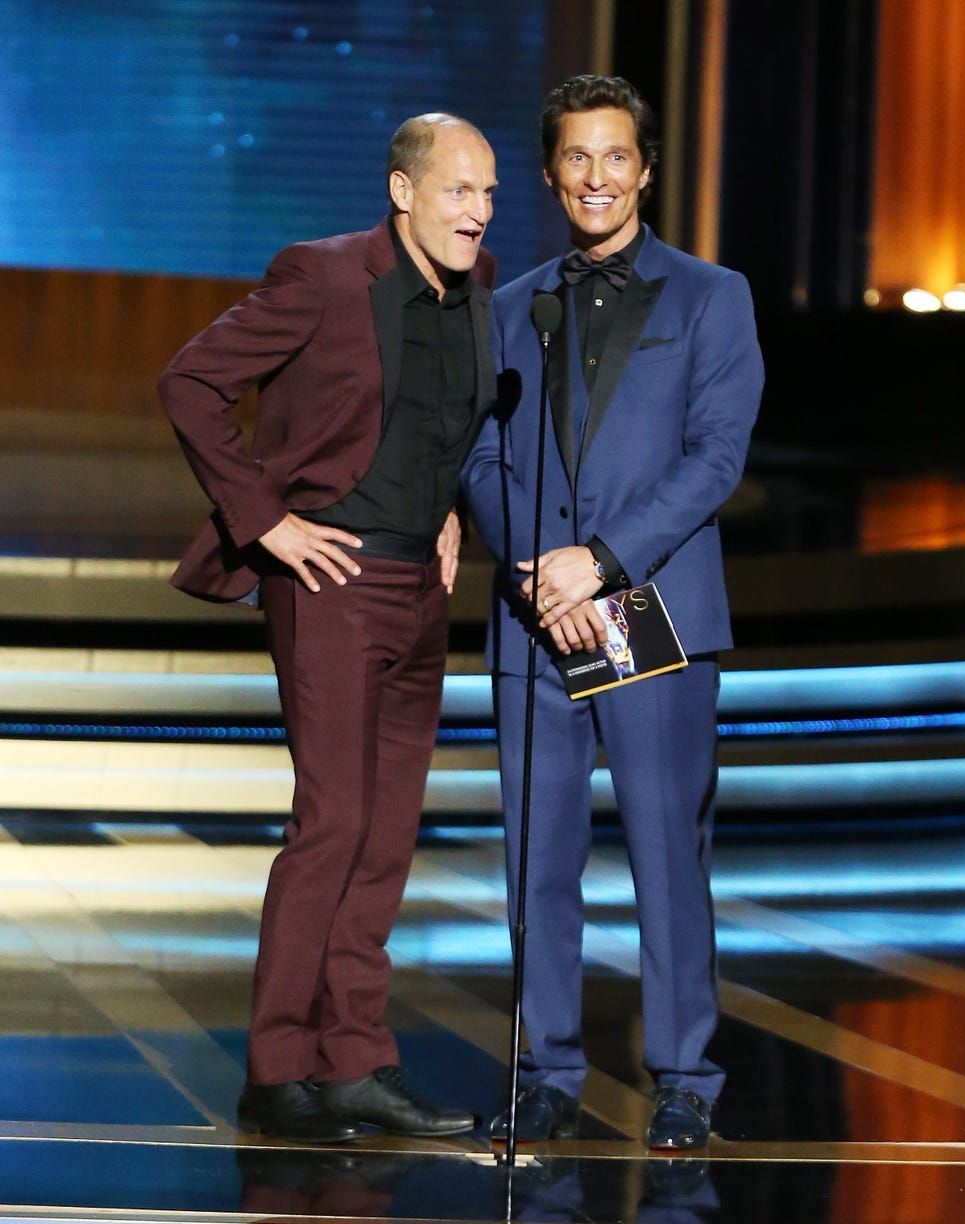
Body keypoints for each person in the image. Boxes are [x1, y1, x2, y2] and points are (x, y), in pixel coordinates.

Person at [159, 113, 498, 1143]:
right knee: (334, 823)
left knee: (389, 834)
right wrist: (267, 521)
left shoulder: (478, 292)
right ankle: (277, 1069)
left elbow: (439, 422)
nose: (477, 213)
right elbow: (191, 382)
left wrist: (443, 506)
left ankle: (353, 1062)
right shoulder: (321, 275)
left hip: (417, 587)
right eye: (457, 191)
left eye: (488, 195)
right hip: (331, 577)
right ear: (403, 193)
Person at [461, 75, 763, 1148]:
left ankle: (682, 1078)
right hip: (535, 621)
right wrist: (543, 575)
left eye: (615, 157)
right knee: (534, 863)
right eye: (575, 159)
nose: (596, 177)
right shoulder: (508, 304)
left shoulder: (710, 295)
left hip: (651, 614)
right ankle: (542, 1071)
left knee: (662, 859)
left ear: (644, 169)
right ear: (550, 174)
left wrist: (598, 564)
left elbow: (714, 457)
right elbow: (481, 452)